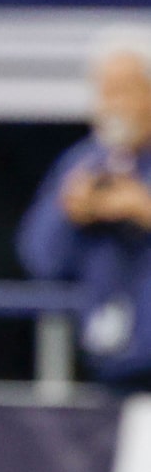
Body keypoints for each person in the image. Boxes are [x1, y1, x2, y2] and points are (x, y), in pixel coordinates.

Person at [17, 30, 151, 390]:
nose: (112, 104)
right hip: (109, 366)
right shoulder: (84, 163)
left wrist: (143, 209)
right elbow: (39, 259)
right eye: (104, 92)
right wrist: (68, 214)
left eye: (124, 90)